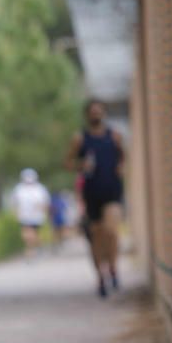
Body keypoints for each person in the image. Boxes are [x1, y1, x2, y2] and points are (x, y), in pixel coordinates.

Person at [66, 99, 125, 297]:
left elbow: (123, 156)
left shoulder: (114, 136)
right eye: (92, 112)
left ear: (104, 113)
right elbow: (67, 162)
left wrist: (120, 167)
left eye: (99, 111)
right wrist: (81, 165)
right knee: (96, 237)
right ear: (87, 115)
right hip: (91, 193)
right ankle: (101, 276)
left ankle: (114, 268)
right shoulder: (80, 139)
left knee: (111, 231)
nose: (96, 114)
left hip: (112, 191)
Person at [10, 168, 51, 259]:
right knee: (26, 235)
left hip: (37, 217)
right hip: (24, 216)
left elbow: (45, 203)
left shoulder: (40, 189)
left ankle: (31, 250)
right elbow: (14, 202)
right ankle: (31, 250)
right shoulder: (19, 189)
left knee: (33, 234)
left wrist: (45, 213)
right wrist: (15, 212)